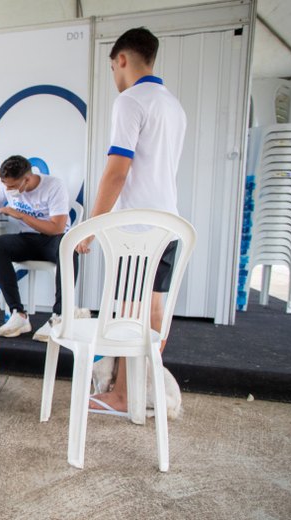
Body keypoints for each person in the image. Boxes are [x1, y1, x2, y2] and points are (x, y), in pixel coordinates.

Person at [76, 27, 187, 414]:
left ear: (121, 60)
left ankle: (122, 396)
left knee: (128, 312)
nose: (114, 76)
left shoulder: (130, 101)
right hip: (168, 224)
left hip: (136, 230)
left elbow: (116, 171)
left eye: (112, 68)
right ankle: (138, 390)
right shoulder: (173, 105)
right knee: (153, 312)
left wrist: (90, 228)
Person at [0, 155, 74, 340]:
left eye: (12, 186)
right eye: (5, 185)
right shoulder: (8, 186)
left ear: (27, 179)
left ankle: (60, 316)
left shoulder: (54, 186)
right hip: (27, 239)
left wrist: (20, 215)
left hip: (53, 239)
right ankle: (18, 314)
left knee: (68, 248)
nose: (8, 189)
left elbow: (57, 228)